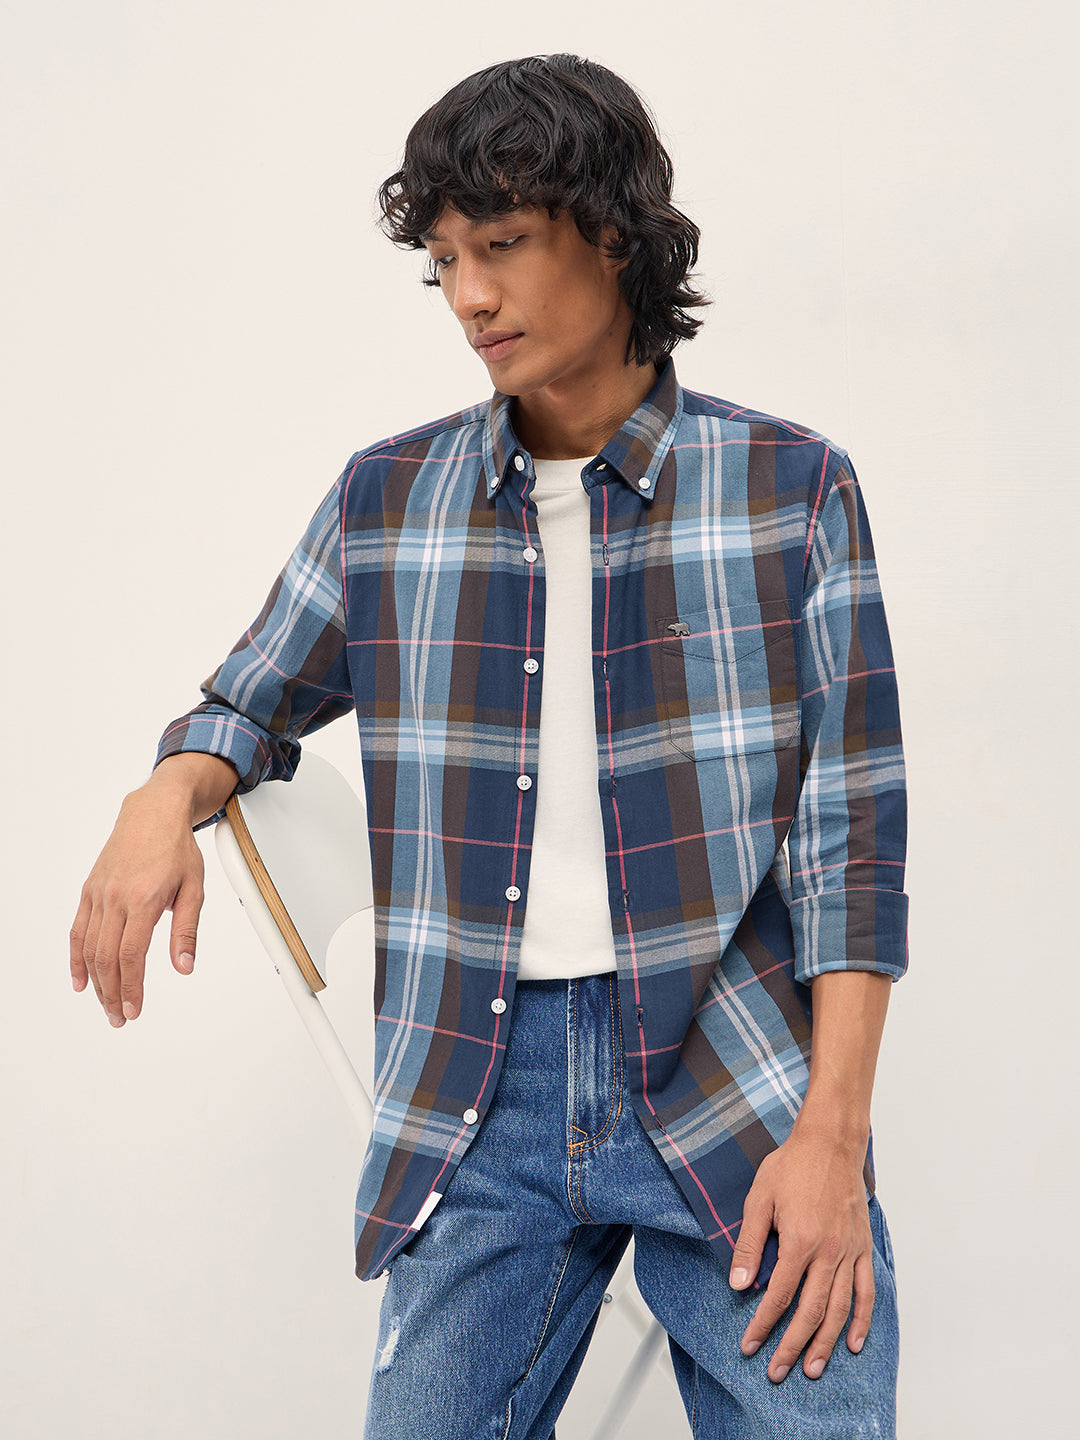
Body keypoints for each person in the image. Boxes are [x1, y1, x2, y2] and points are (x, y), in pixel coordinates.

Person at [70, 54, 908, 1439]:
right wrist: (161, 796)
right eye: (444, 262)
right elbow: (245, 704)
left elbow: (853, 847)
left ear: (614, 234)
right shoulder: (389, 501)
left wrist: (834, 1137)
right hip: (477, 1090)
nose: (468, 297)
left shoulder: (790, 491)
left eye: (502, 245)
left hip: (733, 1075)